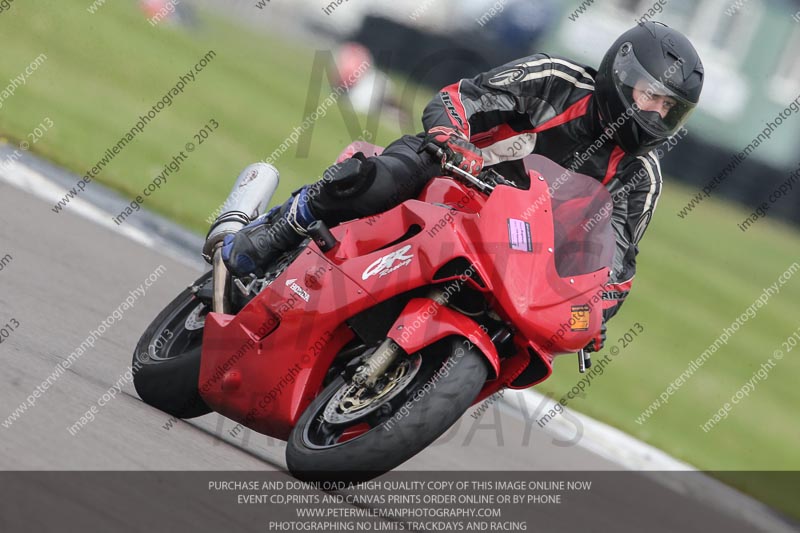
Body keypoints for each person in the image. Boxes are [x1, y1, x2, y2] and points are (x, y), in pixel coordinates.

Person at [219, 21, 704, 352]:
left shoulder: (642, 176)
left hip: (513, 250)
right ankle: (279, 230)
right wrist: (453, 138)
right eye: (651, 97)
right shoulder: (555, 80)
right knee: (376, 178)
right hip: (451, 176)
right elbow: (460, 98)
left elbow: (617, 266)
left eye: (670, 108)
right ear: (621, 73)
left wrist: (593, 315)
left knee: (522, 338)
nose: (655, 115)